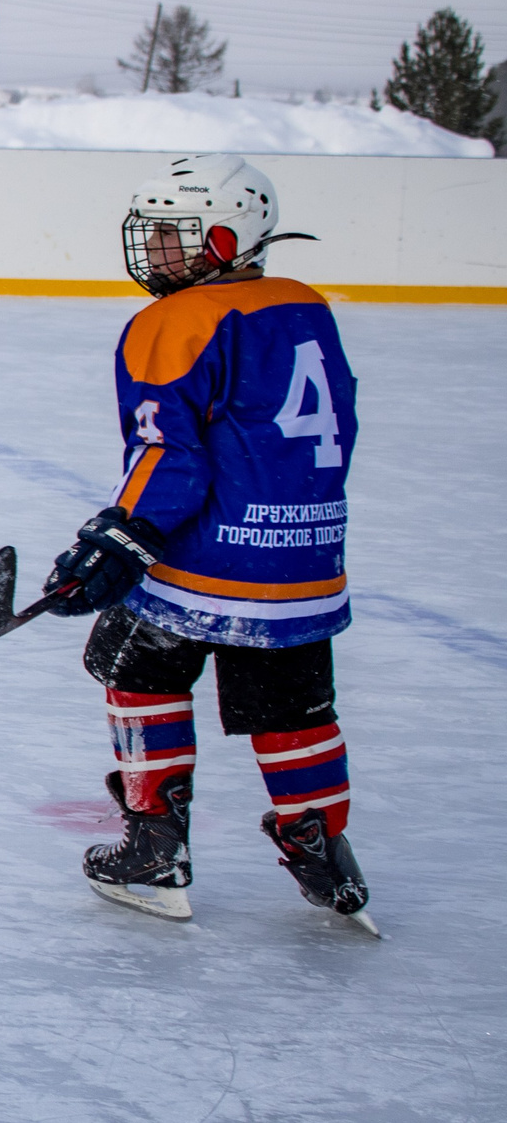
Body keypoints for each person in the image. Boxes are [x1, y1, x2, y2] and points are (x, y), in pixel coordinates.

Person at [39, 153, 372, 932]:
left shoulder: (173, 321)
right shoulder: (302, 304)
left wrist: (118, 537)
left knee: (130, 660)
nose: (154, 250)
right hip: (306, 560)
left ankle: (155, 846)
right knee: (294, 706)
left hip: (208, 561)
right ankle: (327, 856)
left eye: (174, 234)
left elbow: (168, 456)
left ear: (229, 237)